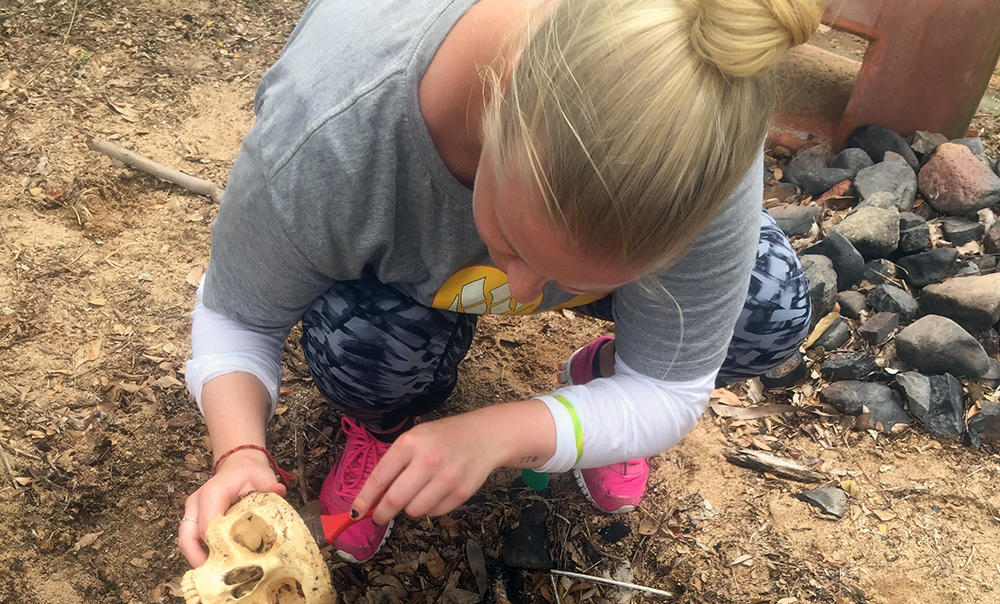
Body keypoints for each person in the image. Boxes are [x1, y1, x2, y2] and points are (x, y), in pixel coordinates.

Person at [178, 0, 819, 567]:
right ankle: (381, 424)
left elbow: (671, 389)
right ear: (499, 97)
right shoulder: (330, 138)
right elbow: (238, 316)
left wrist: (504, 432)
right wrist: (237, 451)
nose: (523, 294)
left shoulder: (696, 126)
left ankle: (601, 381)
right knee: (366, 345)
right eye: (509, 242)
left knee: (766, 310)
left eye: (571, 281)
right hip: (391, 276)